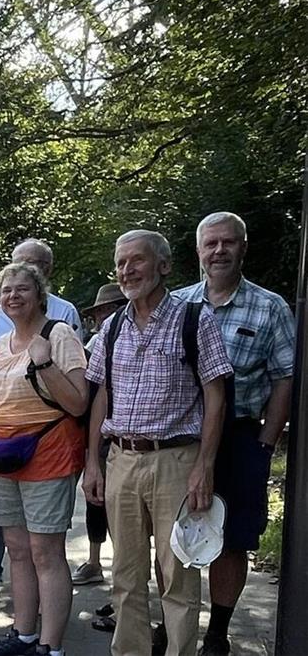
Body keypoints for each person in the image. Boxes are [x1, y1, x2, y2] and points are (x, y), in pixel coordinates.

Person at [83, 230, 233, 656]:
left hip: (175, 461)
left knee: (178, 576)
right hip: (121, 460)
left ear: (163, 266)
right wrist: (92, 463)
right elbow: (101, 396)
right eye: (121, 263)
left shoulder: (194, 318)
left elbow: (215, 394)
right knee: (125, 575)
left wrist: (204, 465)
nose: (127, 270)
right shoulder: (111, 327)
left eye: (137, 260)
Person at [174, 213, 295, 656]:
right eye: (211, 243)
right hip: (183, 437)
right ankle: (175, 624)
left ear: (244, 247)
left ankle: (217, 633)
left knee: (233, 536)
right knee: (176, 535)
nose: (219, 250)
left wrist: (266, 442)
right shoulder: (178, 304)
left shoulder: (270, 307)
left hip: (242, 437)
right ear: (199, 251)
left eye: (229, 242)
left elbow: (285, 377)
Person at [0, 262, 90, 656]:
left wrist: (43, 362)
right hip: (5, 458)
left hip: (49, 456)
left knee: (45, 552)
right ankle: (23, 634)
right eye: (6, 290)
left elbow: (78, 403)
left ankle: (50, 646)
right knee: (17, 550)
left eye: (22, 289)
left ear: (40, 294)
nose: (13, 297)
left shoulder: (58, 335)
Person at [73, 282, 128, 591]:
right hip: (99, 431)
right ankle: (95, 561)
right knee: (96, 500)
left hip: (129, 435)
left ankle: (122, 583)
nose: (107, 316)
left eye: (113, 308)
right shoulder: (94, 345)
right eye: (103, 311)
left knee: (125, 516)